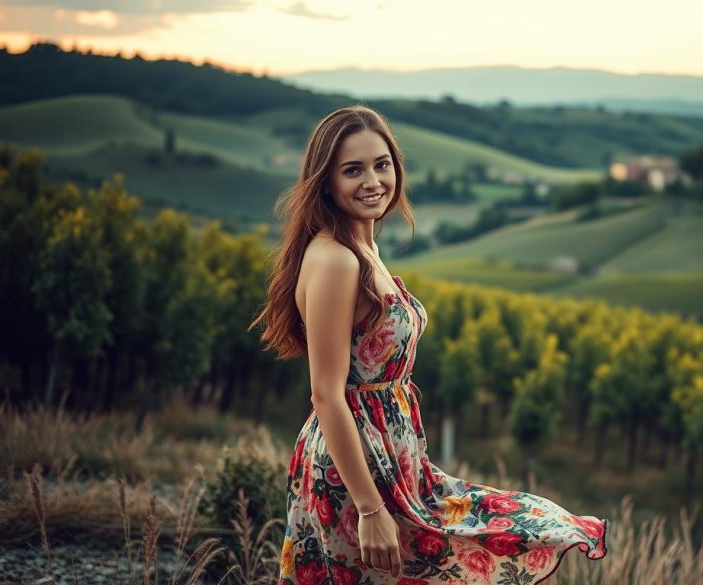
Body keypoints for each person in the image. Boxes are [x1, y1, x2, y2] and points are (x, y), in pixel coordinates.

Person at [250, 105, 608, 585]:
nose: (373, 180)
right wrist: (369, 508)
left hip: (391, 459)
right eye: (352, 170)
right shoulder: (336, 260)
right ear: (325, 182)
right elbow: (326, 394)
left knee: (509, 527)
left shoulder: (362, 248)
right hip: (353, 470)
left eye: (382, 164)